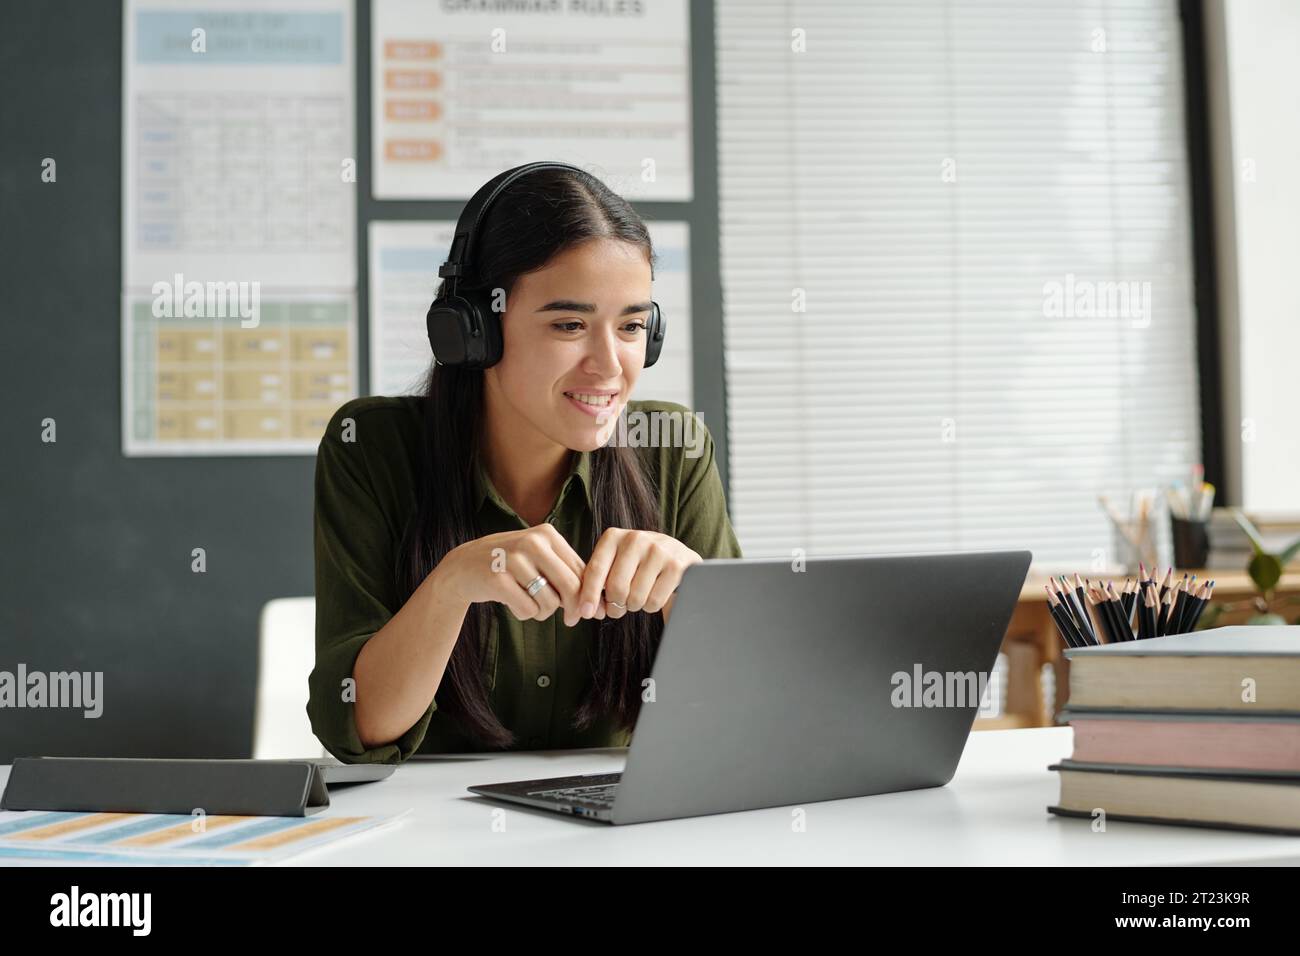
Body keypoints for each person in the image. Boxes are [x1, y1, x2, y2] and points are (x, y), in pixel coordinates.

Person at [307, 164, 742, 762]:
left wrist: (694, 595)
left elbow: (750, 719)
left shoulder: (673, 447)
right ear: (475, 330)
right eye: (570, 324)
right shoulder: (371, 447)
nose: (610, 365)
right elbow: (361, 727)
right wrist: (452, 584)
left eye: (633, 326)